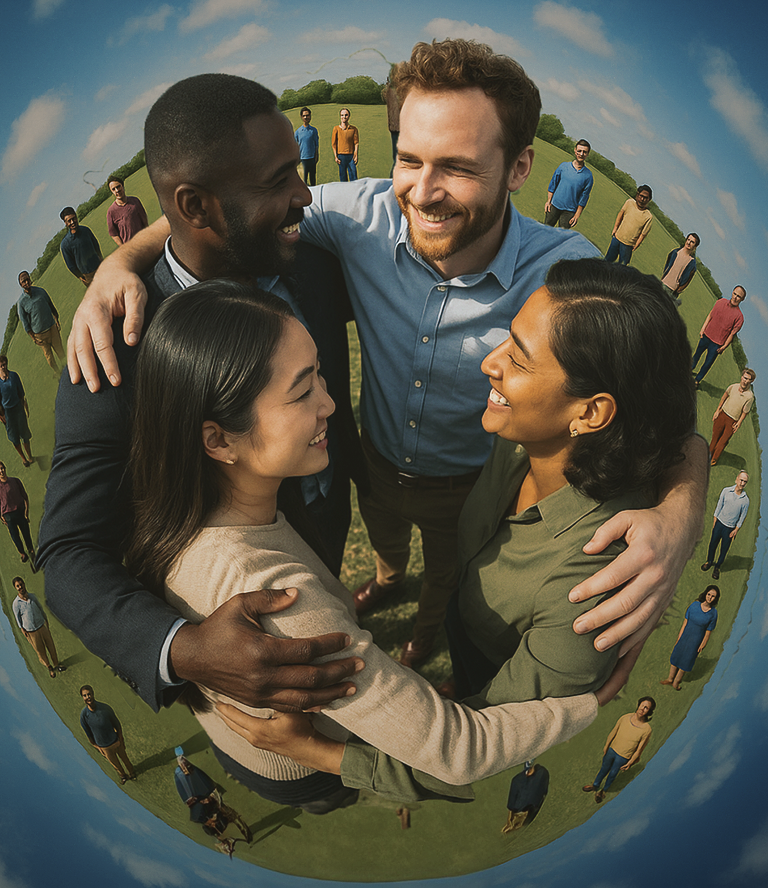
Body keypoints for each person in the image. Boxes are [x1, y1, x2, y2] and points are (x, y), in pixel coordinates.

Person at [64, 43, 707, 679]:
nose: (422, 192)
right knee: (390, 554)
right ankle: (385, 577)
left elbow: (668, 407)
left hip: (470, 486)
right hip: (368, 468)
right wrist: (119, 263)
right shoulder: (356, 218)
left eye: (456, 166)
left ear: (518, 169)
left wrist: (677, 517)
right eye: (408, 158)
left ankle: (426, 633)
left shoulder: (569, 273)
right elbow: (211, 221)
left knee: (449, 578)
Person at [215, 261, 695, 804]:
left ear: (589, 412)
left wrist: (315, 752)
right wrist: (686, 498)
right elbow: (676, 430)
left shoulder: (596, 589)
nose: (490, 362)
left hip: (494, 678)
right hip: (464, 634)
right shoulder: (524, 437)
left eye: (517, 358)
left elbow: (468, 752)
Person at [125, 280, 609, 810]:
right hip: (301, 767)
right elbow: (458, 749)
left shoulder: (180, 503)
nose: (331, 403)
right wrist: (585, 704)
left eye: (320, 377)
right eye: (302, 391)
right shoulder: (279, 600)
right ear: (218, 440)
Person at [37, 74, 371, 715]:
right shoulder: (118, 344)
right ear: (195, 207)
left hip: (328, 521)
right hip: (243, 608)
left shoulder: (309, 260)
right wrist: (183, 649)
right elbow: (70, 554)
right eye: (278, 181)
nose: (305, 195)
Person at [174, 747, 252, 850]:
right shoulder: (216, 821)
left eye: (212, 824)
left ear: (209, 824)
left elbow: (198, 802)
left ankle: (182, 761)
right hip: (205, 794)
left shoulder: (199, 816)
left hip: (198, 793)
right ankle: (183, 763)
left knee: (186, 772)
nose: (215, 824)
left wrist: (208, 801)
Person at [581, 697, 654, 803]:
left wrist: (630, 763)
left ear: (649, 712)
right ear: (638, 705)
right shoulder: (625, 717)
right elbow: (613, 732)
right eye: (642, 705)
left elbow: (639, 750)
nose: (643, 709)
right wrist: (606, 746)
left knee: (613, 773)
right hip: (612, 750)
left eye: (646, 708)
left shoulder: (647, 729)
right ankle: (595, 786)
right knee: (604, 769)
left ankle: (603, 791)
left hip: (623, 756)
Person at [662, 586, 719, 690]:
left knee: (686, 660)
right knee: (676, 655)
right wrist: (679, 637)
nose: (710, 597)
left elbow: (708, 632)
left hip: (696, 641)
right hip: (685, 636)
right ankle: (670, 679)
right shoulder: (694, 605)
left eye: (713, 596)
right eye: (709, 594)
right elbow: (685, 623)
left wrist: (703, 644)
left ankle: (676, 683)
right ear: (705, 594)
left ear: (716, 599)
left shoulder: (713, 614)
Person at [79, 685, 136, 783]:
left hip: (115, 741)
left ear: (93, 694)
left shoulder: (105, 708)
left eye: (89, 694)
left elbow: (117, 724)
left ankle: (132, 773)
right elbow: (89, 735)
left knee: (125, 759)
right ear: (82, 698)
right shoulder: (84, 716)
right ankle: (123, 776)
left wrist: (120, 739)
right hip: (104, 747)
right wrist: (98, 748)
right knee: (116, 765)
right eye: (85, 695)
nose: (88, 697)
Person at [692, 286, 746, 387]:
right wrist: (703, 329)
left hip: (717, 344)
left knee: (707, 363)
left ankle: (697, 381)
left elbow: (732, 334)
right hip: (706, 335)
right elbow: (710, 315)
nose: (735, 297)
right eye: (734, 294)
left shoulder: (739, 317)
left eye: (738, 296)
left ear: (742, 299)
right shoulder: (720, 302)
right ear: (732, 292)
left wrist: (723, 347)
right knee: (697, 355)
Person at [12, 576, 65, 678]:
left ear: (24, 584)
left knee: (51, 646)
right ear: (15, 588)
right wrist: (22, 629)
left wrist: (45, 619)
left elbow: (40, 608)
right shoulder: (16, 603)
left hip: (41, 626)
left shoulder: (32, 596)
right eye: (17, 586)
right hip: (31, 631)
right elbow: (17, 617)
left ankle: (57, 665)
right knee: (40, 651)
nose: (20, 587)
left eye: (21, 584)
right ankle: (49, 668)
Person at [701, 472, 749, 578]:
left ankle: (717, 567)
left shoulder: (745, 500)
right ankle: (709, 562)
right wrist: (715, 520)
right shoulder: (726, 491)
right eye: (741, 480)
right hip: (719, 524)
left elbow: (742, 517)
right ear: (736, 479)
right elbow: (719, 505)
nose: (742, 483)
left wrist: (736, 530)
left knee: (724, 550)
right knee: (712, 544)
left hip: (730, 529)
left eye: (745, 481)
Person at [17, 271, 63, 372]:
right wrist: (33, 338)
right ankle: (59, 373)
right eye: (23, 281)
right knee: (50, 359)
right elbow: (25, 323)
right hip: (40, 335)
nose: (26, 282)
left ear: (30, 279)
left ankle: (69, 370)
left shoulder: (41, 291)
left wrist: (56, 320)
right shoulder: (21, 303)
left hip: (52, 327)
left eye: (27, 279)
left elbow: (51, 305)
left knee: (61, 353)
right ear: (21, 284)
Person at [543, 140, 593, 228]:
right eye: (579, 151)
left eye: (584, 152)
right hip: (554, 205)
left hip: (569, 212)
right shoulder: (563, 166)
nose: (581, 154)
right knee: (545, 231)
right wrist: (548, 201)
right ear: (575, 150)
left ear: (587, 154)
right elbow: (553, 184)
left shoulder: (588, 176)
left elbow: (584, 198)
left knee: (560, 238)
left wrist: (577, 215)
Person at [709, 370, 755, 465]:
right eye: (745, 378)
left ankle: (714, 459)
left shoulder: (749, 397)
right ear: (741, 377)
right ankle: (708, 455)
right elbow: (724, 396)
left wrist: (739, 423)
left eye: (748, 380)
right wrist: (718, 410)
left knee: (723, 442)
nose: (745, 381)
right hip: (723, 414)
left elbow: (745, 412)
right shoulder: (733, 387)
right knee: (715, 438)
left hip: (733, 421)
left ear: (751, 381)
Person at [604, 186, 653, 265]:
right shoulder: (629, 202)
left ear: (649, 199)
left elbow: (643, 234)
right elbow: (621, 214)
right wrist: (615, 228)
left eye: (645, 197)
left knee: (622, 268)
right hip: (617, 238)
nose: (642, 199)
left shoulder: (648, 216)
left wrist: (636, 245)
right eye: (641, 196)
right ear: (637, 195)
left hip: (628, 245)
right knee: (607, 261)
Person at [0, 461, 36, 568]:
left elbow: (25, 496)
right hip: (8, 516)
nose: (1, 471)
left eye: (2, 468)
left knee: (26, 533)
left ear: (5, 469)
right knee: (15, 537)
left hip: (20, 512)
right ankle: (23, 554)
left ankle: (31, 550)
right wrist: (2, 517)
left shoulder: (15, 481)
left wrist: (26, 511)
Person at [0, 355, 32, 466]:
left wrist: (24, 404)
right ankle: (24, 459)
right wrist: (1, 416)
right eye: (0, 366)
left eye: (4, 364)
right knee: (14, 438)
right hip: (7, 413)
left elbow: (21, 392)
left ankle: (30, 456)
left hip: (18, 408)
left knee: (25, 433)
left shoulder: (14, 376)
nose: (3, 367)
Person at [501, 761, 549, 833]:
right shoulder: (517, 780)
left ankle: (512, 828)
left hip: (528, 809)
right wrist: (509, 820)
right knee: (516, 825)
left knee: (520, 825)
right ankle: (510, 829)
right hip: (523, 810)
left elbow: (544, 790)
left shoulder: (541, 773)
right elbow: (511, 803)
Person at [59, 208, 102, 285]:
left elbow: (96, 245)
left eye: (73, 218)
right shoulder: (65, 244)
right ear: (65, 223)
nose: (72, 222)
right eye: (69, 221)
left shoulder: (86, 230)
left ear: (76, 217)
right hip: (87, 276)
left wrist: (101, 258)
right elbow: (70, 265)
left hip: (100, 267)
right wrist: (81, 277)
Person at [106, 176, 149, 245]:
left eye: (118, 186)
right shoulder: (111, 212)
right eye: (113, 189)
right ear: (112, 192)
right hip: (130, 247)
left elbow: (144, 221)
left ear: (122, 185)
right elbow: (114, 234)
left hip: (144, 241)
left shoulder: (135, 201)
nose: (117, 190)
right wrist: (123, 247)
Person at [661, 233, 699, 301]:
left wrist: (679, 289)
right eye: (688, 240)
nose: (689, 243)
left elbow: (688, 278)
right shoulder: (675, 252)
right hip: (662, 283)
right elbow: (668, 263)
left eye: (692, 242)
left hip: (672, 290)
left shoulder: (691, 263)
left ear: (695, 246)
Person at [331, 107, 359, 181]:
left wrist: (355, 154)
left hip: (351, 156)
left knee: (354, 175)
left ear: (349, 116)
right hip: (341, 156)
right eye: (342, 115)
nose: (344, 117)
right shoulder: (336, 129)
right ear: (340, 116)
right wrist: (336, 156)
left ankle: (355, 191)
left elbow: (356, 142)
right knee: (343, 176)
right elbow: (334, 144)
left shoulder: (354, 129)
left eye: (346, 115)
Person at [294, 107, 320, 186]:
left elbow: (316, 144)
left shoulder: (313, 130)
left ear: (310, 116)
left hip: (312, 159)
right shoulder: (298, 132)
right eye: (304, 116)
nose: (306, 117)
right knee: (303, 181)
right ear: (301, 117)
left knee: (313, 179)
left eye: (307, 115)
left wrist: (316, 155)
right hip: (303, 159)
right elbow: (295, 146)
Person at [382, 67, 401, 168]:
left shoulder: (390, 89)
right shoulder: (397, 90)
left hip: (394, 126)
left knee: (397, 157)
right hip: (400, 126)